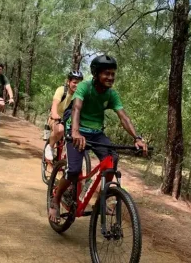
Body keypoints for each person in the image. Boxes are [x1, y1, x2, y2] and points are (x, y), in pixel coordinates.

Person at [49, 55, 148, 222]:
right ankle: (55, 200)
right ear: (95, 74)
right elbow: (76, 109)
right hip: (77, 129)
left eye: (113, 74)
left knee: (112, 159)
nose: (110, 77)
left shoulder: (111, 94)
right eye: (106, 74)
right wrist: (75, 132)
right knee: (73, 170)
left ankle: (100, 200)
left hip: (96, 133)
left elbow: (124, 117)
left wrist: (137, 137)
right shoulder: (84, 87)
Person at [44, 70, 84, 161]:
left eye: (79, 83)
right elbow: (55, 104)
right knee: (60, 129)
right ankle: (50, 147)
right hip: (55, 118)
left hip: (69, 120)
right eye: (74, 82)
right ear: (68, 82)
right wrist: (54, 114)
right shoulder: (62, 90)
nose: (77, 85)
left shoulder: (80, 95)